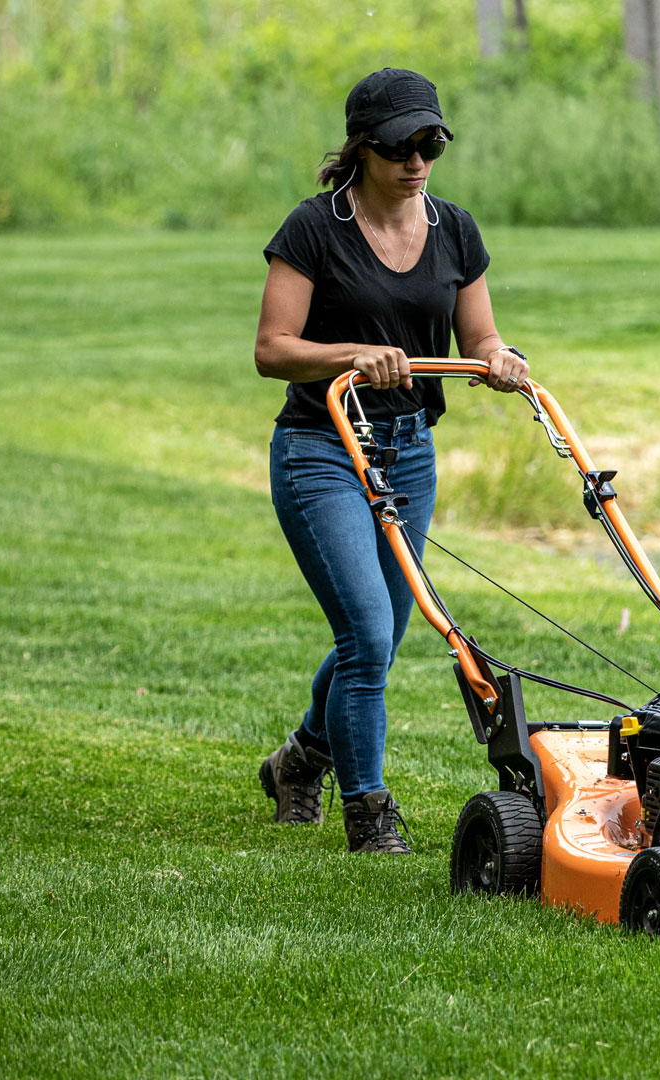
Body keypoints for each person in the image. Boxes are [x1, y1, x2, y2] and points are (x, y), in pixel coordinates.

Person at [252, 68, 527, 854]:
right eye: (402, 146)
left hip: (408, 452)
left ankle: (300, 761)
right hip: (321, 448)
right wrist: (353, 354)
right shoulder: (313, 228)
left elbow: (479, 338)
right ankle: (369, 812)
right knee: (368, 635)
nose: (418, 161)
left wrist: (499, 360)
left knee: (379, 636)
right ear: (363, 149)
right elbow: (272, 350)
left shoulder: (455, 229)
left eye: (431, 143)